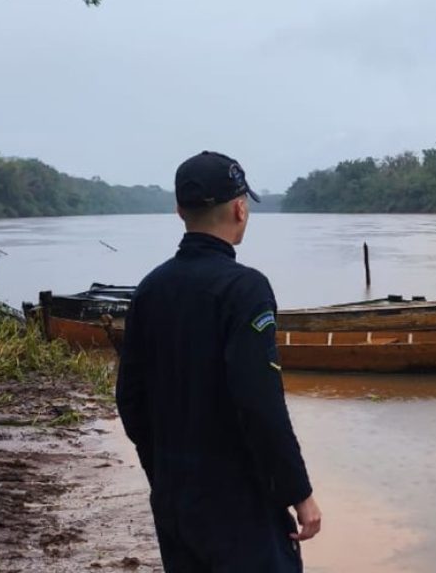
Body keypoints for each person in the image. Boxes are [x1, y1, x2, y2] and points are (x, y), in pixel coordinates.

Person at [116, 151, 321, 572]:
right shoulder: (244, 289)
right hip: (238, 504)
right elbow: (260, 402)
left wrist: (165, 473)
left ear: (179, 211)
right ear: (240, 208)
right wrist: (298, 492)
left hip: (174, 501)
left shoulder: (150, 288)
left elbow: (130, 399)